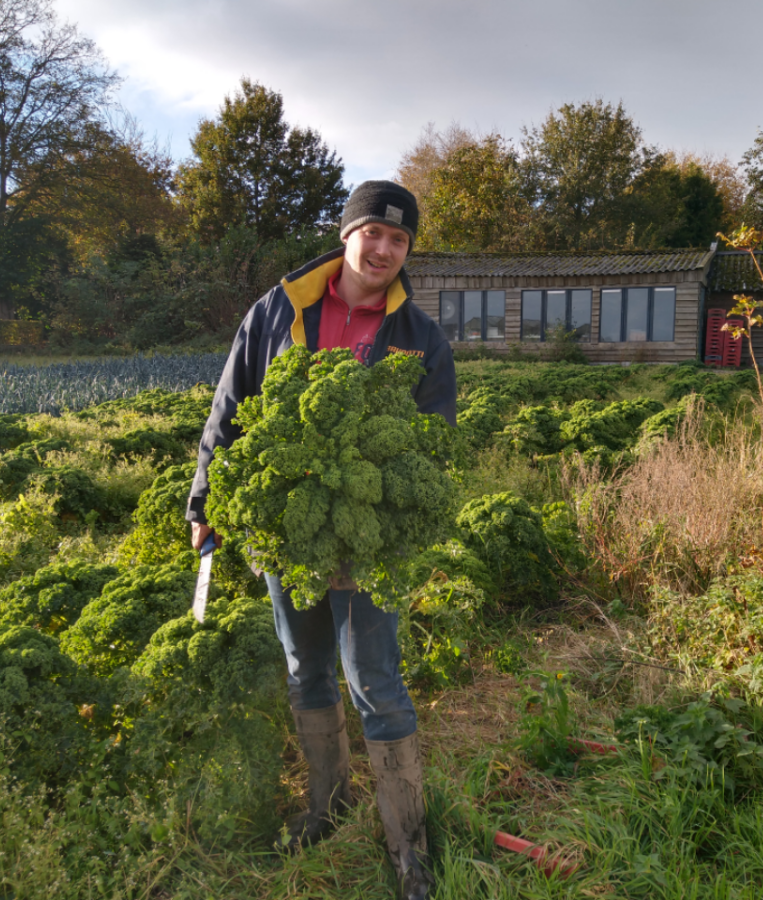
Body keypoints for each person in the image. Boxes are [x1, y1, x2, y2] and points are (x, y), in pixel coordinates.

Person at [186, 181, 454, 900]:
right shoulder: (277, 310)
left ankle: (409, 847)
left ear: (407, 252)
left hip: (368, 546)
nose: (384, 249)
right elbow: (231, 407)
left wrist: (378, 537)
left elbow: (434, 445)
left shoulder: (420, 337)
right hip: (287, 528)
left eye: (399, 240)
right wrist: (206, 498)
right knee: (306, 667)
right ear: (346, 236)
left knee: (376, 679)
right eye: (373, 232)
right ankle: (326, 805)